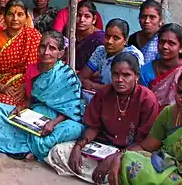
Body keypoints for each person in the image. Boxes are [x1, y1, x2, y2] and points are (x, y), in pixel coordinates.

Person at [45, 52, 159, 183]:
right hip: (103, 147)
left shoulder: (147, 100)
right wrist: (78, 147)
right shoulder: (104, 93)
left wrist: (116, 157)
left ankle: (102, 175)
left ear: (136, 76)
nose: (119, 79)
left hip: (130, 153)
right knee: (58, 151)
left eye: (126, 75)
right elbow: (94, 127)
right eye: (115, 74)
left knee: (131, 171)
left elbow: (144, 143)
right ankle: (101, 176)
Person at [0, 31, 85, 161]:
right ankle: (32, 145)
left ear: (60, 53)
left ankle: (32, 148)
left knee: (75, 129)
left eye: (52, 48)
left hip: (58, 120)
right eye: (43, 46)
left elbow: (73, 110)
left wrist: (53, 123)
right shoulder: (32, 69)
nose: (46, 52)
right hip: (34, 115)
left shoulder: (67, 74)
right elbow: (31, 99)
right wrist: (21, 107)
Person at [107, 68, 182, 185]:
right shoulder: (169, 113)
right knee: (127, 161)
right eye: (180, 92)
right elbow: (146, 147)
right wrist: (118, 157)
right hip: (163, 167)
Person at [0, 0, 42, 106]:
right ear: (4, 17)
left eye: (20, 14)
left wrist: (25, 86)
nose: (15, 19)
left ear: (26, 17)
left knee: (40, 103)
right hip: (5, 87)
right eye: (10, 14)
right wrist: (3, 88)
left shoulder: (34, 36)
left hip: (31, 84)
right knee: (6, 105)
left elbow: (42, 67)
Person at [140, 24, 182, 111]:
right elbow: (141, 101)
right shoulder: (145, 71)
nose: (165, 47)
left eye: (171, 43)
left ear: (181, 47)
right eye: (162, 42)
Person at [79, 19, 144, 91]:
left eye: (116, 38)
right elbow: (82, 77)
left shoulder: (132, 55)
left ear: (125, 40)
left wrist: (93, 85)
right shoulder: (101, 51)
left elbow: (124, 88)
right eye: (107, 36)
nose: (109, 41)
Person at [129, 0, 182, 64]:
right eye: (144, 16)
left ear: (160, 20)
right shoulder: (133, 38)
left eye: (152, 17)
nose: (147, 21)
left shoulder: (171, 39)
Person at [75, 0, 105, 71]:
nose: (82, 20)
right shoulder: (70, 33)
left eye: (87, 16)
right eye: (79, 15)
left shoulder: (100, 38)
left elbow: (101, 70)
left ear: (94, 19)